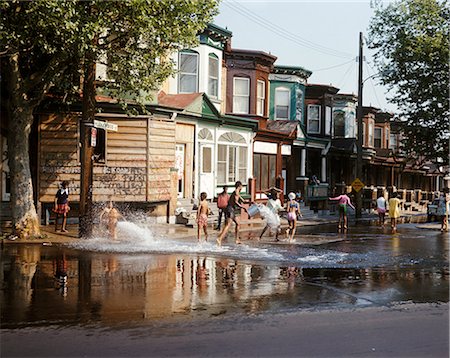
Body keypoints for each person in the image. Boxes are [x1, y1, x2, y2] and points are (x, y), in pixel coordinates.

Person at [217, 181, 248, 246]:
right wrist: (243, 207)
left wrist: (247, 201)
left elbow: (241, 198)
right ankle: (219, 238)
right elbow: (236, 202)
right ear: (239, 186)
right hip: (230, 210)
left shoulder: (237, 192)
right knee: (228, 225)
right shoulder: (236, 192)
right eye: (242, 186)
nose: (242, 187)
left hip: (232, 210)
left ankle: (236, 239)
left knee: (238, 223)